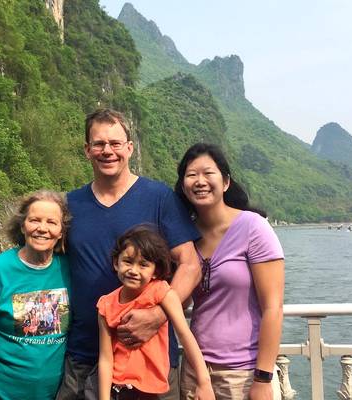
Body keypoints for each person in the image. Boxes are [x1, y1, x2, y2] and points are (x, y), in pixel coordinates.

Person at [57, 109, 202, 400]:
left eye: (115, 143)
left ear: (129, 148)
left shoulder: (158, 198)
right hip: (85, 355)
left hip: (150, 358)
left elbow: (190, 265)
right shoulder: (70, 204)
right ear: (87, 150)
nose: (107, 151)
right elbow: (43, 254)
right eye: (98, 144)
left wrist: (158, 315)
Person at [174, 143, 285, 400]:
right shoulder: (185, 237)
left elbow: (273, 307)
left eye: (208, 173)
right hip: (196, 372)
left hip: (244, 374)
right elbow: (184, 300)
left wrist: (263, 378)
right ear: (182, 186)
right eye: (191, 175)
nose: (200, 181)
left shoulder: (253, 228)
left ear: (225, 182)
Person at [97, 225, 215, 400]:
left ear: (155, 271)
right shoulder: (106, 304)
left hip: (153, 392)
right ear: (116, 263)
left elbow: (185, 335)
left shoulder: (161, 292)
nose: (133, 270)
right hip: (119, 389)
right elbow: (106, 358)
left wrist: (204, 382)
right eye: (127, 261)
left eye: (143, 265)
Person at [0, 190, 72, 399]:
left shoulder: (69, 270)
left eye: (51, 222)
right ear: (22, 225)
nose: (42, 229)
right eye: (34, 220)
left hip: (51, 393)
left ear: (61, 231)